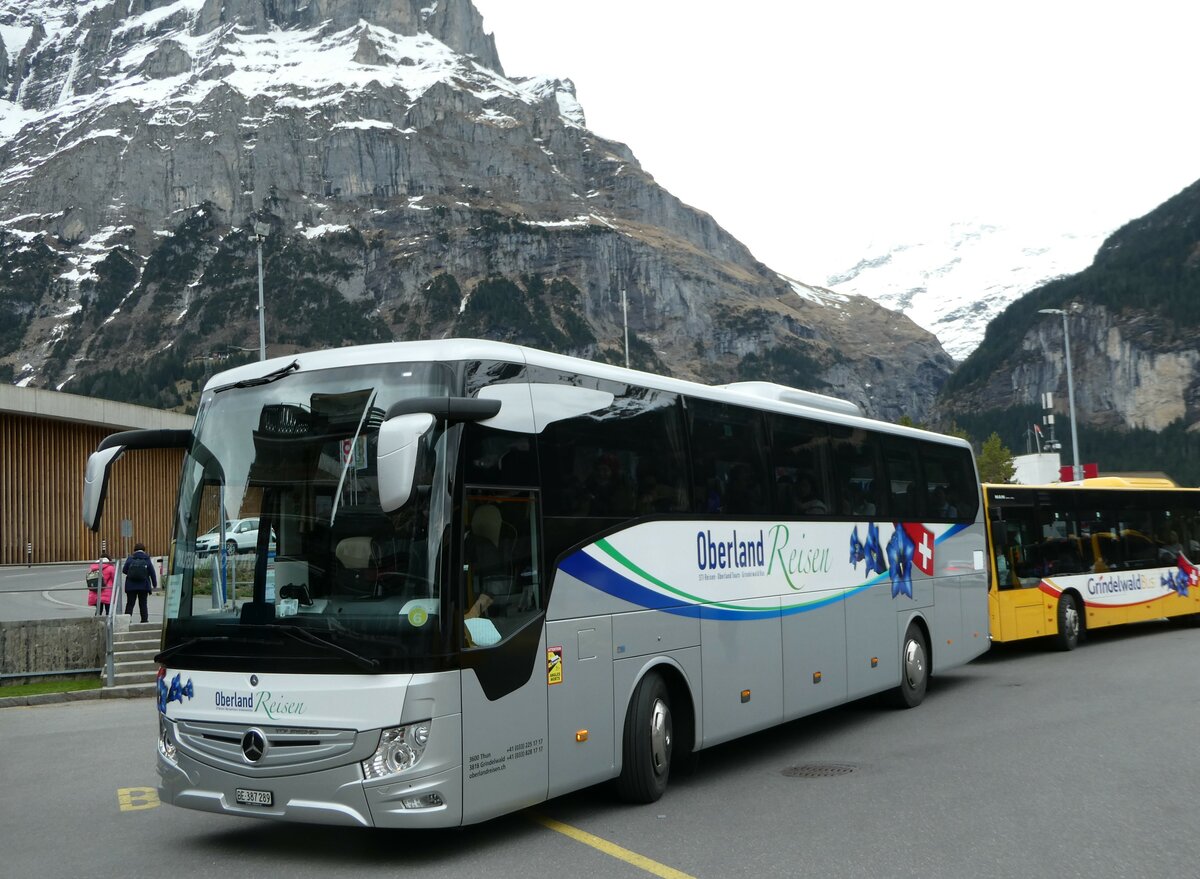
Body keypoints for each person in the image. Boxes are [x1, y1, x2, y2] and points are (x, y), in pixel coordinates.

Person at [122, 542, 157, 623]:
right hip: (144, 586)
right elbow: (152, 572)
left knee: (130, 604)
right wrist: (154, 584)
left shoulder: (130, 558)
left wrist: (132, 573)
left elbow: (124, 570)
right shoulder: (147, 559)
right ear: (144, 550)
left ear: (134, 550)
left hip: (130, 586)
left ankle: (127, 621)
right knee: (143, 604)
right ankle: (144, 620)